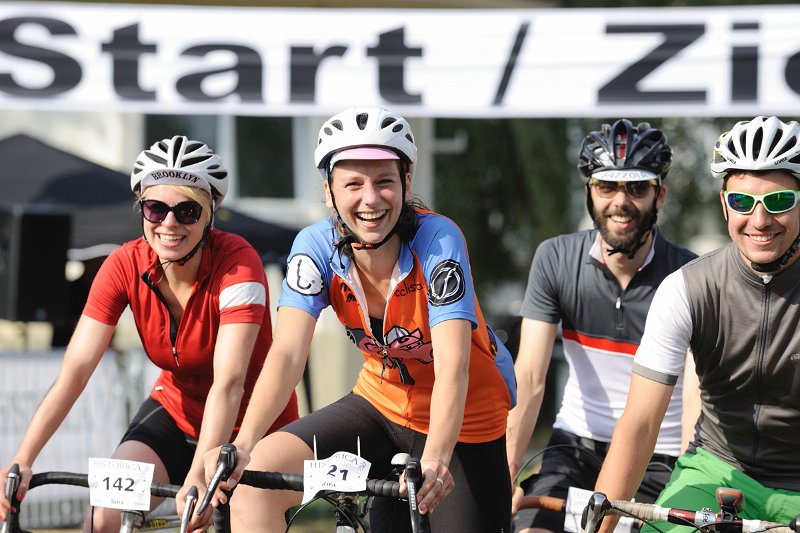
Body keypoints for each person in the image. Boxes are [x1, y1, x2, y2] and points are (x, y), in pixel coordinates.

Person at [200, 106, 517, 532]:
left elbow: (453, 364)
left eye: (384, 181)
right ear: (329, 191)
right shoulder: (314, 246)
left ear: (406, 183)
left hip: (465, 422)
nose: (370, 199)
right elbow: (288, 353)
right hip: (379, 406)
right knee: (253, 485)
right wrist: (243, 442)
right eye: (353, 184)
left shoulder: (439, 239)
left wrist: (437, 457)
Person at [0, 136, 299, 532]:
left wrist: (198, 475)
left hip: (251, 429)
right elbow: (75, 371)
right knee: (103, 518)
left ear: (210, 214)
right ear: (141, 209)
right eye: (155, 208)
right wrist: (22, 459)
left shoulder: (239, 264)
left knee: (241, 521)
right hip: (175, 413)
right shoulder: (124, 264)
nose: (169, 224)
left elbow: (229, 383)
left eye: (187, 210)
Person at [593, 115, 800, 533]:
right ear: (724, 205)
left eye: (779, 201)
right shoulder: (687, 288)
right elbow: (640, 422)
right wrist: (602, 526)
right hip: (715, 470)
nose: (760, 220)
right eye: (742, 202)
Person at [505, 119, 699, 533]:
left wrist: (689, 480)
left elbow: (695, 398)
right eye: (606, 186)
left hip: (661, 458)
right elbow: (530, 377)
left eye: (637, 188)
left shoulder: (691, 275)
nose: (620, 202)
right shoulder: (555, 259)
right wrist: (505, 471)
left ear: (660, 195)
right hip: (575, 446)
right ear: (589, 192)